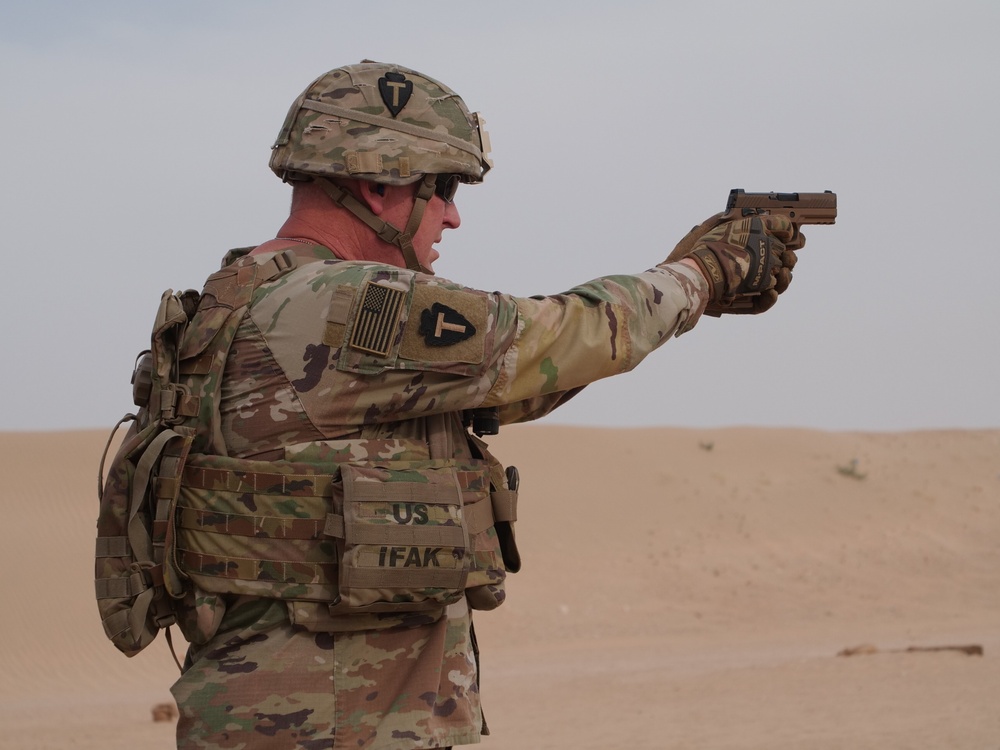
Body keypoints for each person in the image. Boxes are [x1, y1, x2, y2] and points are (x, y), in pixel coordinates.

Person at [165, 60, 801, 749]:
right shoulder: (343, 305)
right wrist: (701, 275)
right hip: (336, 720)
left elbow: (523, 376)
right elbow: (560, 334)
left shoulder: (248, 294)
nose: (453, 215)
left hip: (280, 711)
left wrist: (685, 296)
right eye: (442, 189)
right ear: (377, 183)